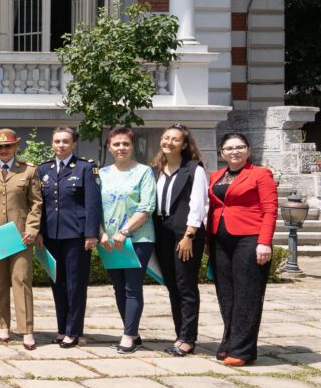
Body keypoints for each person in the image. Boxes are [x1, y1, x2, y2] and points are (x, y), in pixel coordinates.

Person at [207, 132, 278, 366]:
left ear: (248, 150)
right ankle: (229, 342)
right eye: (229, 148)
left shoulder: (260, 174)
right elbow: (213, 208)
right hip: (220, 240)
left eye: (239, 147)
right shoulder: (217, 176)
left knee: (247, 294)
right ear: (222, 153)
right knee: (226, 294)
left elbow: (270, 209)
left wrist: (264, 241)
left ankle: (242, 350)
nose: (234, 151)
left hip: (249, 239)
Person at [0, 129, 44, 350]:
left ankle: (26, 330)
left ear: (16, 147)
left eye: (8, 146)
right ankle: (3, 326)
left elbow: (36, 203)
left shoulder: (28, 170)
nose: (4, 150)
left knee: (22, 281)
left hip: (21, 236)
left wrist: (32, 229)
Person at [38, 127, 101, 348]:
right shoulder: (43, 169)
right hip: (51, 235)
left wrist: (91, 233)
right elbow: (40, 205)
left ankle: (74, 331)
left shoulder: (86, 168)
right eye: (57, 141)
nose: (61, 145)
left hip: (76, 235)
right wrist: (39, 231)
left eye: (66, 141)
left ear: (74, 144)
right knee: (57, 283)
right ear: (52, 144)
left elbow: (92, 203)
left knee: (76, 284)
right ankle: (62, 328)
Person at [98, 126, 158, 354]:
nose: (121, 148)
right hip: (109, 241)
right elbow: (94, 208)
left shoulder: (144, 172)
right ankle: (132, 332)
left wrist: (124, 232)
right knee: (118, 288)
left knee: (132, 287)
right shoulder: (101, 174)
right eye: (116, 144)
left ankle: (127, 336)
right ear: (109, 147)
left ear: (133, 146)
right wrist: (101, 233)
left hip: (138, 238)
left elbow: (146, 207)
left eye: (126, 144)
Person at [152, 125, 209, 356]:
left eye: (175, 139)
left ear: (184, 144)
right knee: (172, 286)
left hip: (185, 234)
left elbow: (198, 205)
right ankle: (180, 335)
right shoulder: (155, 169)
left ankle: (188, 338)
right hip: (162, 233)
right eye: (165, 137)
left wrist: (189, 235)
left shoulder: (194, 169)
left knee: (186, 286)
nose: (169, 142)